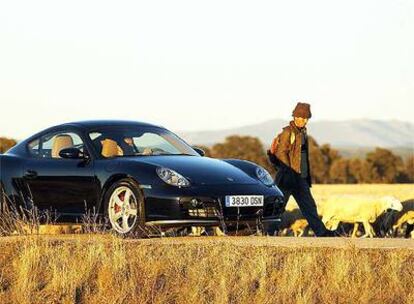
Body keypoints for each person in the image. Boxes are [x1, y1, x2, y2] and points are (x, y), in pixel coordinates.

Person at [267, 102, 339, 237]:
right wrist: (289, 172)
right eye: (302, 118)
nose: (304, 121)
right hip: (288, 178)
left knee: (309, 207)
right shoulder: (288, 132)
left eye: (306, 118)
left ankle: (321, 232)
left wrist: (304, 177)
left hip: (300, 178)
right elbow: (281, 153)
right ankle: (269, 233)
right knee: (279, 208)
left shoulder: (302, 133)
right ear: (295, 117)